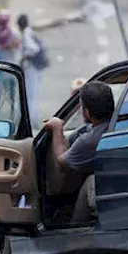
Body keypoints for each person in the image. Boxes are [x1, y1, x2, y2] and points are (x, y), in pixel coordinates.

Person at [42, 80, 115, 225]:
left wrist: (57, 129)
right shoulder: (112, 126)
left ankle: (75, 229)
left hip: (107, 189)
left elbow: (62, 163)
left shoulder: (91, 140)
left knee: (90, 182)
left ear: (86, 112)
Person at [17, 14, 46, 122]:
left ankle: (32, 119)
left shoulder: (26, 35)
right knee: (32, 94)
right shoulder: (30, 32)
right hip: (35, 67)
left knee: (30, 95)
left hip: (31, 68)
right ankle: (33, 118)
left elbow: (34, 49)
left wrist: (24, 57)